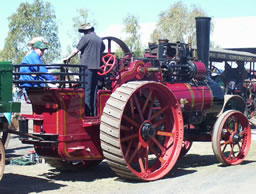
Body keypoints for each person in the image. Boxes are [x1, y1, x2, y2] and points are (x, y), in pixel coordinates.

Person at [63, 23, 105, 116]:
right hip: (96, 69)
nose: (84, 33)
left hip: (86, 69)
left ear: (88, 30)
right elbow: (103, 49)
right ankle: (93, 113)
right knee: (94, 91)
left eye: (84, 31)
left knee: (85, 91)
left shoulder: (85, 38)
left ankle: (86, 113)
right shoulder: (100, 40)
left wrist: (68, 57)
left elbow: (76, 50)